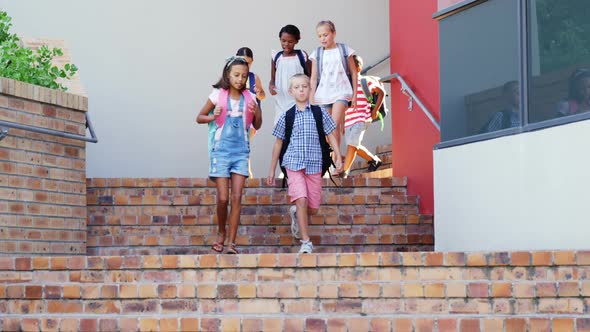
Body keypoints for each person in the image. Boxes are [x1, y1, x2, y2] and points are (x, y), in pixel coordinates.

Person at [267, 74, 343, 254]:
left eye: (304, 86)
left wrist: (338, 156)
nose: (301, 90)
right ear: (291, 91)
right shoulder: (287, 116)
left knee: (313, 208)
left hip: (315, 165)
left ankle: (295, 214)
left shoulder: (319, 112)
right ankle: (306, 242)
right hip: (293, 164)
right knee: (301, 199)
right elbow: (278, 142)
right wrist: (271, 170)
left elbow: (331, 134)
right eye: (297, 87)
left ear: (310, 89)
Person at [196, 56, 262, 254]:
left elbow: (257, 125)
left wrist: (257, 112)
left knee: (237, 197)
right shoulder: (218, 95)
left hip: (241, 152)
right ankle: (221, 232)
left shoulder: (251, 98)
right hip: (221, 151)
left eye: (243, 76)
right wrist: (213, 116)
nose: (240, 79)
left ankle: (232, 243)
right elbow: (199, 117)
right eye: (236, 75)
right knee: (223, 198)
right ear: (227, 75)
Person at [309, 20, 357, 152]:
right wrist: (311, 98)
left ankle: (337, 161)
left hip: (341, 92)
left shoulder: (344, 50)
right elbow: (313, 77)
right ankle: (336, 158)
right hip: (323, 95)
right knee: (329, 130)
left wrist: (355, 95)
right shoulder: (317, 53)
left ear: (334, 33)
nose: (322, 38)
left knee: (333, 126)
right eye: (319, 36)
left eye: (325, 35)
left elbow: (353, 72)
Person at [342, 55, 383, 177]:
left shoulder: (366, 81)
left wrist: (375, 111)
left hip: (362, 118)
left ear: (358, 68)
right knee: (354, 145)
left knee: (351, 145)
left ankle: (344, 171)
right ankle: (374, 160)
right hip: (349, 120)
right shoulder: (346, 85)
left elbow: (381, 92)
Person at [269, 24, 310, 125]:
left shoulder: (301, 55)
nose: (286, 44)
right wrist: (271, 86)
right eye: (283, 41)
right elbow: (273, 79)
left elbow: (310, 76)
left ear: (296, 41)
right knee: (281, 129)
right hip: (281, 102)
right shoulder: (276, 57)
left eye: (290, 41)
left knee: (298, 127)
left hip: (299, 101)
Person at [236, 47, 266, 178]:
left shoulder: (254, 77)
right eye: (243, 61)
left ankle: (246, 172)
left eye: (248, 63)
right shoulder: (231, 76)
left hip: (252, 117)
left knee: (244, 142)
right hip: (236, 116)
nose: (245, 65)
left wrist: (260, 92)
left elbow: (263, 96)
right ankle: (245, 171)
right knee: (241, 143)